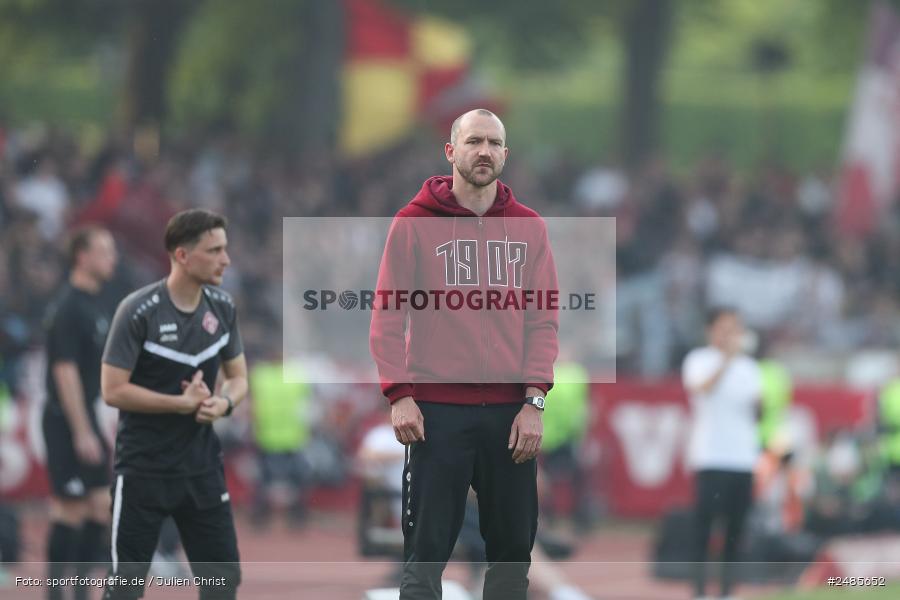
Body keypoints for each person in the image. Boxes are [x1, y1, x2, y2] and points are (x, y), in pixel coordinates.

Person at [369, 109, 560, 600]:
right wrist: (399, 395)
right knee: (426, 553)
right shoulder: (412, 224)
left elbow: (543, 321)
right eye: (474, 141)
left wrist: (534, 401)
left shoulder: (530, 227)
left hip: (510, 415)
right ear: (451, 151)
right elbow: (387, 318)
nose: (485, 151)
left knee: (513, 553)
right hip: (436, 414)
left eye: (494, 143)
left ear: (505, 155)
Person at [99, 209, 247, 600]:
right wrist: (180, 404)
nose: (226, 260)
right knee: (125, 589)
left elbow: (239, 378)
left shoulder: (223, 307)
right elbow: (113, 390)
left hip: (201, 470)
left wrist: (224, 404)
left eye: (225, 249)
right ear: (182, 256)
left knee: (223, 584)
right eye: (214, 250)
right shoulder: (137, 310)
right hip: (143, 470)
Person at [43, 226, 118, 600]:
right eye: (104, 250)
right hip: (65, 420)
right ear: (81, 256)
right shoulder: (69, 307)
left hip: (87, 419)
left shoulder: (97, 306)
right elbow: (64, 369)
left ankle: (81, 590)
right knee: (69, 508)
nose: (112, 258)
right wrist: (81, 430)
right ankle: (56, 594)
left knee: (101, 506)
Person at [683, 307, 761, 600]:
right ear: (711, 330)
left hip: (742, 460)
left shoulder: (750, 368)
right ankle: (700, 591)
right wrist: (727, 360)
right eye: (725, 327)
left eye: (736, 328)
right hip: (711, 458)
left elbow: (756, 413)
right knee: (704, 529)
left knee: (735, 532)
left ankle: (727, 591)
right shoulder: (698, 360)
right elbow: (701, 389)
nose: (731, 334)